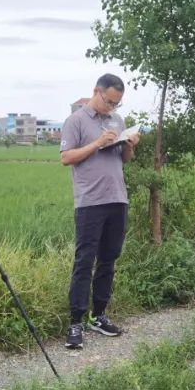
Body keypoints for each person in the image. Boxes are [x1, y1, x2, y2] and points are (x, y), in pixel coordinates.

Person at [59, 73, 141, 349]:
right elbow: (66, 158)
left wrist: (129, 145)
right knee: (85, 261)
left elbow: (124, 160)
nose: (112, 108)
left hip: (117, 198)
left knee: (108, 260)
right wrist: (97, 143)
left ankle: (99, 315)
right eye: (109, 102)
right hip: (90, 202)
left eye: (117, 104)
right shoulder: (76, 121)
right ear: (96, 91)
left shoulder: (117, 121)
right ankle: (75, 322)